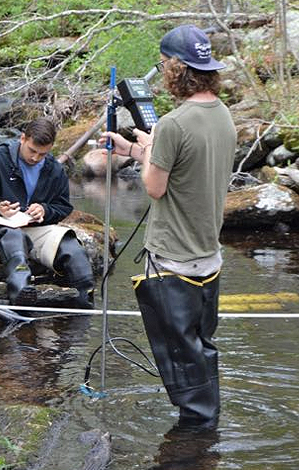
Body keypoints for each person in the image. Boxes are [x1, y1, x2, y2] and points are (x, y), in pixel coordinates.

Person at [101, 24, 236, 425]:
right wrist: (140, 149)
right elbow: (188, 171)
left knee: (181, 361)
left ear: (177, 68)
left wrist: (151, 149)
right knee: (201, 350)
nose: (161, 73)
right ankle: (206, 436)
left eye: (163, 65)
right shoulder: (223, 115)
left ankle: (194, 440)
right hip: (209, 256)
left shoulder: (174, 124)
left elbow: (155, 188)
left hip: (173, 261)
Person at [0, 117, 94, 308]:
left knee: (72, 248)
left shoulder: (55, 169)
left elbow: (63, 206)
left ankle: (85, 304)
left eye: (42, 154)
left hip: (36, 227)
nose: (35, 158)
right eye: (32, 151)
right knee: (14, 239)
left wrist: (45, 209)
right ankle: (20, 296)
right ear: (23, 139)